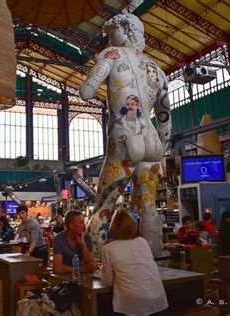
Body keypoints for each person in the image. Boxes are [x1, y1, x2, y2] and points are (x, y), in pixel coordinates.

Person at [80, 13, 171, 255]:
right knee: (149, 209)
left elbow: (86, 93)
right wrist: (163, 150)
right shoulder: (157, 70)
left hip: (124, 137)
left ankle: (96, 265)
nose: (110, 39)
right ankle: (154, 261)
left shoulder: (111, 54)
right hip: (152, 141)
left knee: (103, 207)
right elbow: (165, 115)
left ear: (124, 31)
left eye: (112, 34)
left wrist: (100, 72)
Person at [101, 210, 168, 315]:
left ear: (112, 226)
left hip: (133, 303)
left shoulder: (108, 249)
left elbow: (107, 281)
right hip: (158, 299)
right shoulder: (142, 242)